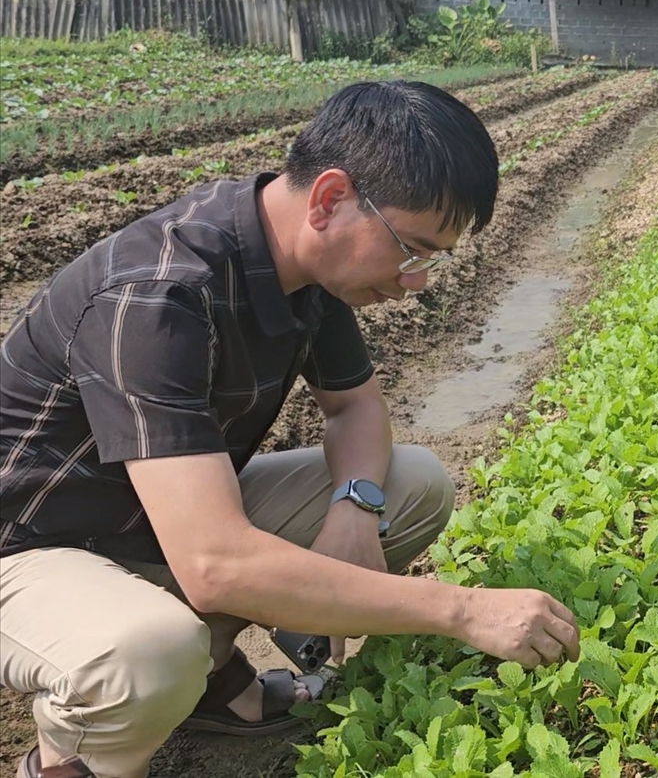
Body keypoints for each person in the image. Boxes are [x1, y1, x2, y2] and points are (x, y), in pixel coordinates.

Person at [0, 81, 580, 778]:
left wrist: (355, 508)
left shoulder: (301, 266)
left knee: (411, 483)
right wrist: (460, 609)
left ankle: (208, 674)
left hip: (148, 521)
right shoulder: (157, 296)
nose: (417, 281)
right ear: (330, 198)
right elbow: (215, 563)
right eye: (413, 249)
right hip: (30, 548)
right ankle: (72, 756)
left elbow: (356, 407)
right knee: (145, 653)